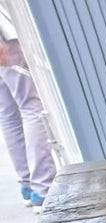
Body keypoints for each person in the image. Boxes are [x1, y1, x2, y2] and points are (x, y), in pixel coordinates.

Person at [0, 2, 54, 208]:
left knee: (8, 112)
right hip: (6, 33)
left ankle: (28, 183)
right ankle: (43, 187)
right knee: (30, 105)